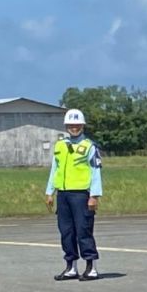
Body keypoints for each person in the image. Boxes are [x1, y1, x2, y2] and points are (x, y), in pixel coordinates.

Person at [45, 108, 103, 281]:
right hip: (63, 194)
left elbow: (96, 172)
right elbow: (54, 170)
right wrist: (50, 192)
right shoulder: (60, 146)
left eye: (77, 125)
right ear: (66, 126)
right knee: (66, 232)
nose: (74, 128)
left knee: (83, 230)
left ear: (82, 126)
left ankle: (91, 267)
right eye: (71, 124)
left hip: (81, 195)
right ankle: (71, 266)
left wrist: (94, 196)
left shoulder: (89, 146)